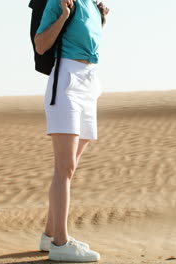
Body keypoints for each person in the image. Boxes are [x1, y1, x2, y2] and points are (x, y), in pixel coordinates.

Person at [34, 0, 110, 261]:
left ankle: (49, 235)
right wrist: (64, 15)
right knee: (64, 166)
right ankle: (60, 243)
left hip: (89, 82)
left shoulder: (91, 4)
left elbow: (86, 42)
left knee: (69, 167)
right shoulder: (60, 1)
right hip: (66, 82)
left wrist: (102, 21)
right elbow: (41, 45)